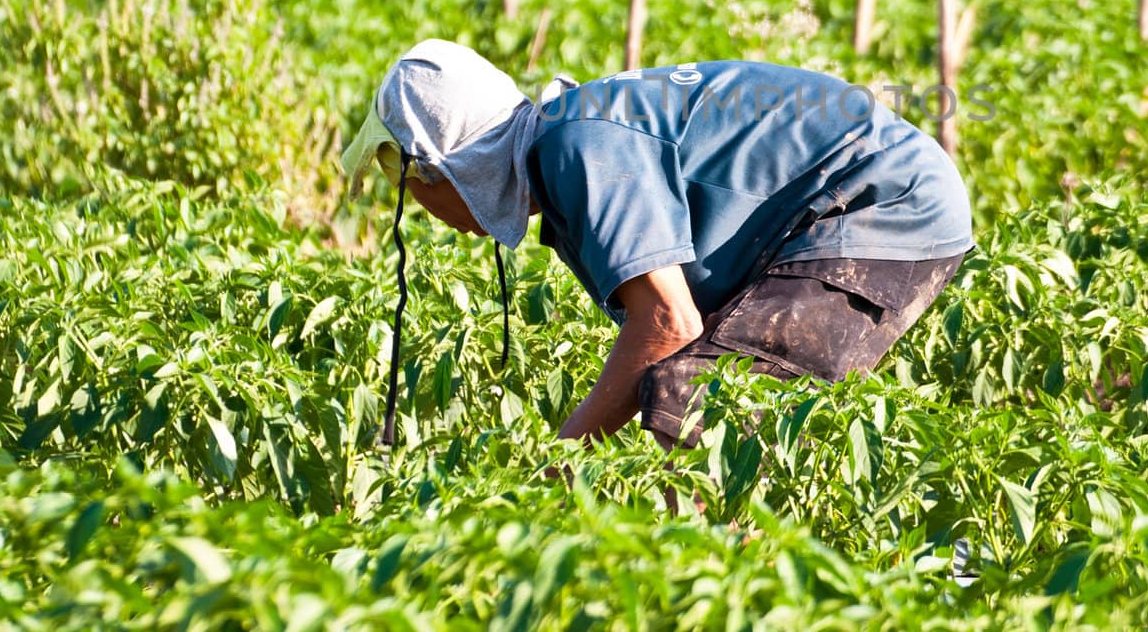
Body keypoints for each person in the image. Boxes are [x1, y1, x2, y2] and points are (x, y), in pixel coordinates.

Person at [341, 39, 973, 449]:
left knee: (690, 398)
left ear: (448, 168)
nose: (420, 204)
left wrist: (558, 464)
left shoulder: (577, 149)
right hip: (872, 201)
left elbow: (669, 322)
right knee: (716, 398)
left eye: (406, 180)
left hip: (882, 205)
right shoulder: (568, 149)